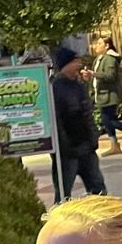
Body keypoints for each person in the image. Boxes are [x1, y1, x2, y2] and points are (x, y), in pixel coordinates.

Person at [51, 48, 106, 202]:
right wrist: (64, 147)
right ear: (65, 65)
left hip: (86, 148)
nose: (79, 65)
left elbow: (88, 114)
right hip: (67, 153)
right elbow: (56, 121)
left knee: (98, 188)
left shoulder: (79, 85)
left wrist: (93, 138)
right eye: (75, 61)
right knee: (63, 194)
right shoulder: (55, 88)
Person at [90, 34, 122, 155]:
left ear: (107, 46)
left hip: (109, 95)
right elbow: (96, 76)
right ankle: (114, 145)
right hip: (101, 94)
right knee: (108, 120)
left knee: (108, 120)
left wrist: (94, 74)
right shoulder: (99, 59)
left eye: (99, 44)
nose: (96, 46)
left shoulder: (110, 59)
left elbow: (110, 76)